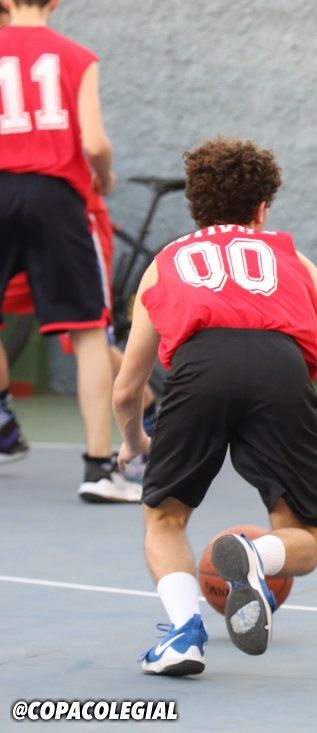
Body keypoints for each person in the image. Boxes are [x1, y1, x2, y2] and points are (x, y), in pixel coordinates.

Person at [115, 138, 317, 676]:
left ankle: (183, 636)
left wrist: (134, 441)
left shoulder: (165, 263)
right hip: (280, 369)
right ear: (262, 209)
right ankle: (258, 556)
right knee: (305, 538)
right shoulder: (290, 257)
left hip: (200, 369)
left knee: (165, 518)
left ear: (195, 207)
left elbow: (127, 389)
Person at [0, 0, 133, 499]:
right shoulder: (77, 56)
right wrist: (105, 174)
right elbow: (94, 142)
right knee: (88, 332)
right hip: (54, 195)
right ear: (54, 2)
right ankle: (99, 469)